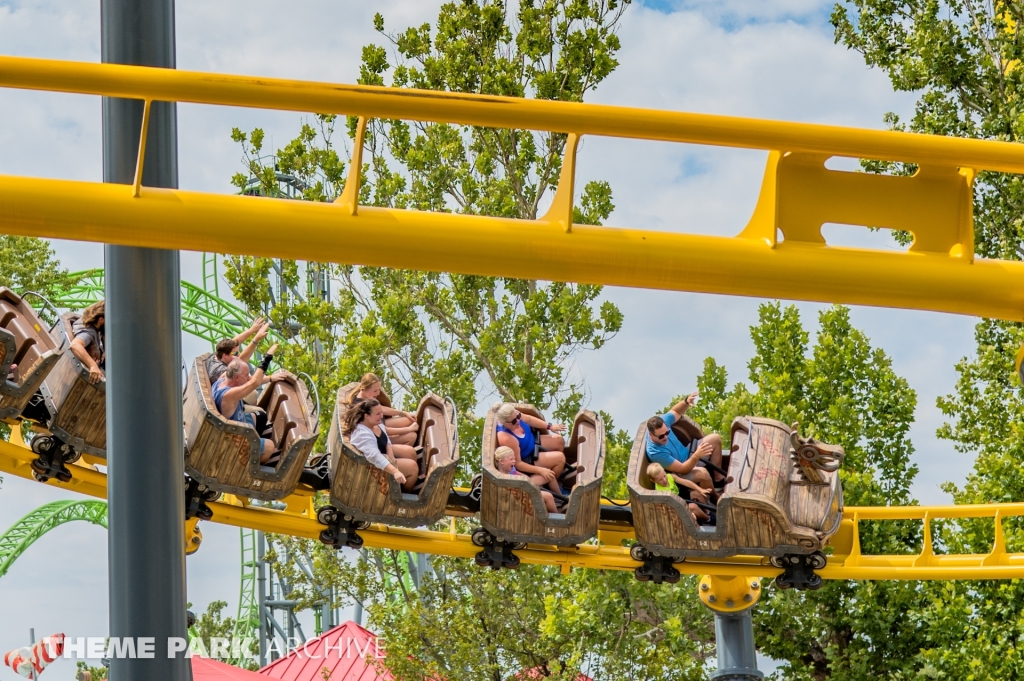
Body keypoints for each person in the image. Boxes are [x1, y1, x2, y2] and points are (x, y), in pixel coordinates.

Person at [212, 345, 282, 464]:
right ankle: (252, 466)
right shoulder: (229, 395)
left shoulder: (224, 378)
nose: (249, 377)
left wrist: (271, 378)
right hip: (236, 436)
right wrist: (267, 357)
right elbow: (254, 382)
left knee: (260, 416)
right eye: (246, 375)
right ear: (237, 377)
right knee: (270, 446)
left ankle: (257, 444)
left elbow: (242, 363)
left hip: (240, 422)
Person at [645, 391, 728, 490]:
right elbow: (682, 469)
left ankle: (718, 480)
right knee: (703, 474)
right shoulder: (655, 453)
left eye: (667, 433)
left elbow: (676, 412)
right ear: (651, 435)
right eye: (661, 436)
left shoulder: (662, 422)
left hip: (689, 453)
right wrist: (697, 455)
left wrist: (686, 401)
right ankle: (714, 498)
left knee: (715, 438)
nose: (666, 437)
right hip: (681, 472)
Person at [343, 398, 419, 492]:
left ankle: (406, 480)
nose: (381, 416)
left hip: (385, 455)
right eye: (378, 414)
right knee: (412, 467)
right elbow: (375, 457)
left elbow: (385, 435)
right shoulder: (362, 434)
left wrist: (389, 451)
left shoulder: (374, 423)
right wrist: (395, 471)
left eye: (381, 412)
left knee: (410, 452)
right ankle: (406, 492)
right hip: (373, 468)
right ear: (366, 416)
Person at [493, 402, 567, 491]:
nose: (518, 421)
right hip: (527, 458)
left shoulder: (514, 414)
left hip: (533, 441)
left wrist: (550, 427)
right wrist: (540, 470)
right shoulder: (506, 437)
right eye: (513, 421)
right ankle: (551, 485)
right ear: (504, 423)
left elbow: (529, 420)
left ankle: (556, 471)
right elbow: (518, 464)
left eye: (518, 417)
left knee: (559, 441)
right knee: (560, 458)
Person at [345, 373, 419, 446]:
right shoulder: (361, 407)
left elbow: (382, 409)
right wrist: (409, 429)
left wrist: (404, 413)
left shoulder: (366, 397)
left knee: (411, 420)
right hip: (380, 437)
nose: (378, 393)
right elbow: (384, 430)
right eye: (375, 391)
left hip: (383, 423)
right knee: (412, 436)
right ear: (364, 389)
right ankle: (395, 453)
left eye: (379, 390)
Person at [494, 446, 559, 513]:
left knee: (549, 475)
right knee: (548, 496)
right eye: (511, 459)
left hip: (525, 485)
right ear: (501, 461)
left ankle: (559, 498)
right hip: (521, 495)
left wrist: (528, 480)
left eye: (514, 458)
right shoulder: (502, 478)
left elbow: (519, 474)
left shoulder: (510, 469)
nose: (514, 461)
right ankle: (558, 518)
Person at [206, 317, 270, 383]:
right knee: (254, 393)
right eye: (236, 354)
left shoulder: (215, 356)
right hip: (228, 391)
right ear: (225, 355)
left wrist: (252, 330)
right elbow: (250, 379)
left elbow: (234, 342)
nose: (239, 355)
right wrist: (271, 378)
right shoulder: (221, 371)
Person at [70, 300, 105, 384]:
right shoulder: (89, 332)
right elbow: (75, 345)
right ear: (100, 319)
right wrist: (93, 365)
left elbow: (104, 333)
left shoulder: (87, 323)